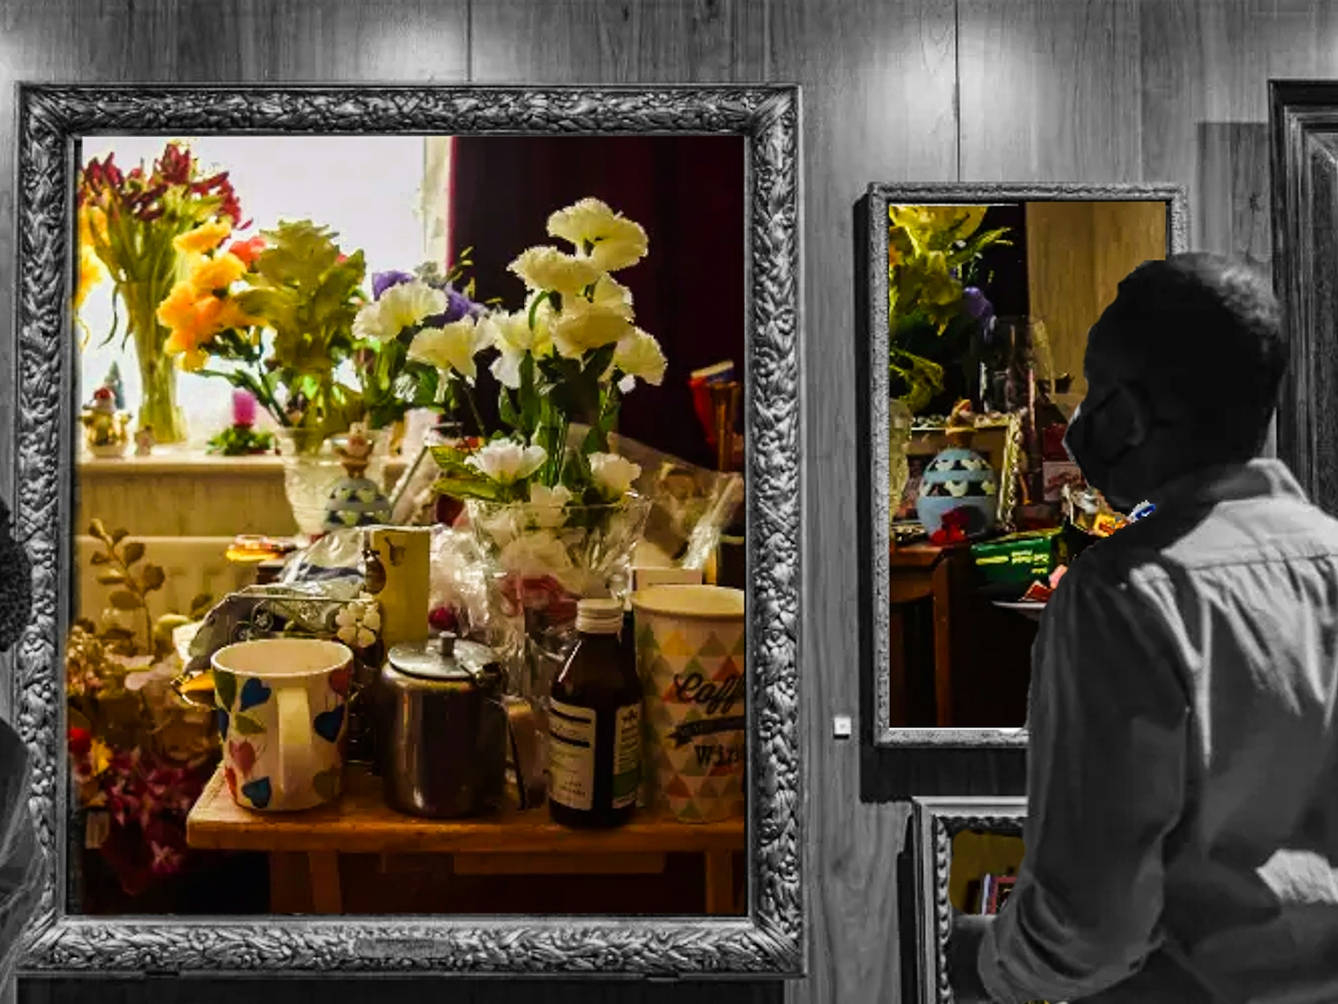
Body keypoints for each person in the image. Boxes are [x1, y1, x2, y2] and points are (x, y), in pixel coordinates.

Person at [950, 253, 1338, 1003]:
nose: (1080, 425)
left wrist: (988, 966)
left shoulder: (1123, 595)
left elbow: (1089, 922)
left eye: (1095, 390)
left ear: (1129, 413)